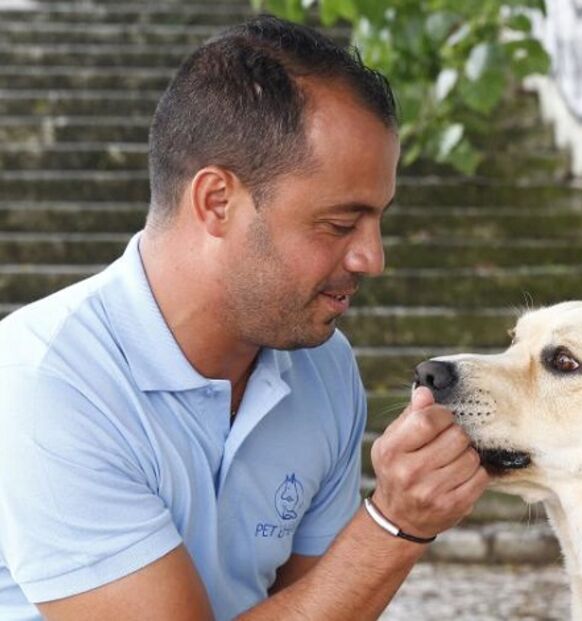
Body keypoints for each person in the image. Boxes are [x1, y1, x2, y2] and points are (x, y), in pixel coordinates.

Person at [0, 15, 489, 621]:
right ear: (216, 202)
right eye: (339, 224)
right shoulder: (46, 379)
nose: (373, 258)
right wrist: (394, 523)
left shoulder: (323, 367)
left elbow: (325, 604)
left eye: (378, 220)